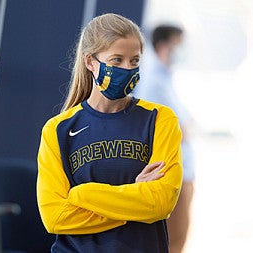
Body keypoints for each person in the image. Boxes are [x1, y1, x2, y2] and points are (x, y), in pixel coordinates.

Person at [36, 13, 183, 253]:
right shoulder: (57, 129)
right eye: (117, 60)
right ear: (90, 62)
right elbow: (55, 216)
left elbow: (160, 203)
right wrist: (134, 200)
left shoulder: (160, 119)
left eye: (134, 61)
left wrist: (84, 194)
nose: (127, 68)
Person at [133, 24, 195, 253]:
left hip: (182, 173)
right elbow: (173, 130)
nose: (183, 50)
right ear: (163, 46)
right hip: (169, 174)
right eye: (179, 44)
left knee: (178, 239)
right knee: (171, 243)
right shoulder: (153, 83)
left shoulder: (167, 79)